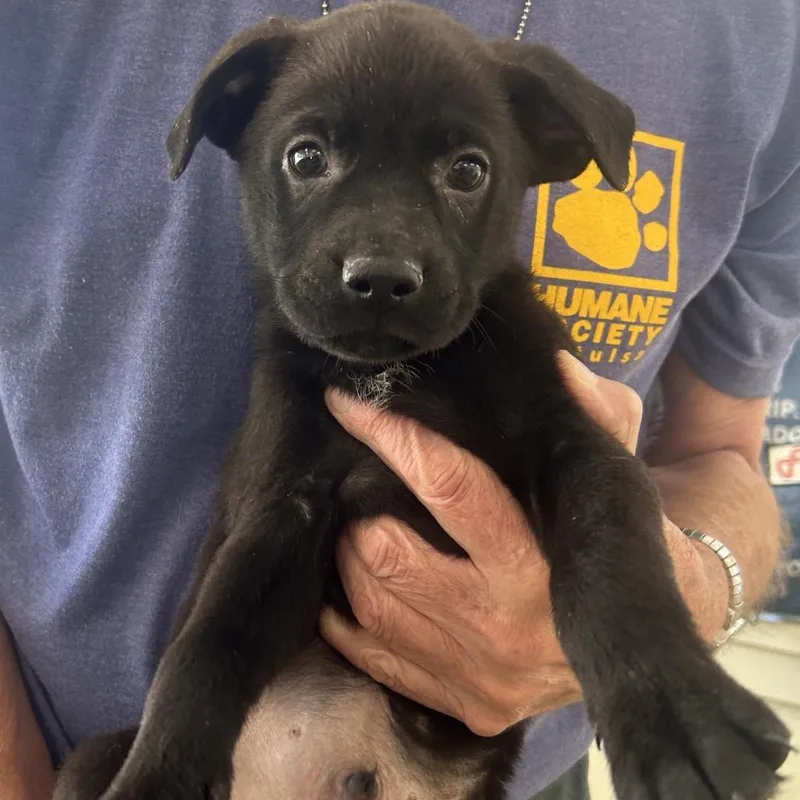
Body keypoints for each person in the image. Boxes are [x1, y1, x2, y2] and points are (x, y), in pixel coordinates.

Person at [1, 1, 798, 798]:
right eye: (309, 158)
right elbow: (258, 571)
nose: (382, 256)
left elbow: (640, 463)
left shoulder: (758, 35)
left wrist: (653, 662)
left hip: (464, 771)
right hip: (76, 750)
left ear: (545, 143)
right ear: (233, 121)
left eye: (465, 172)